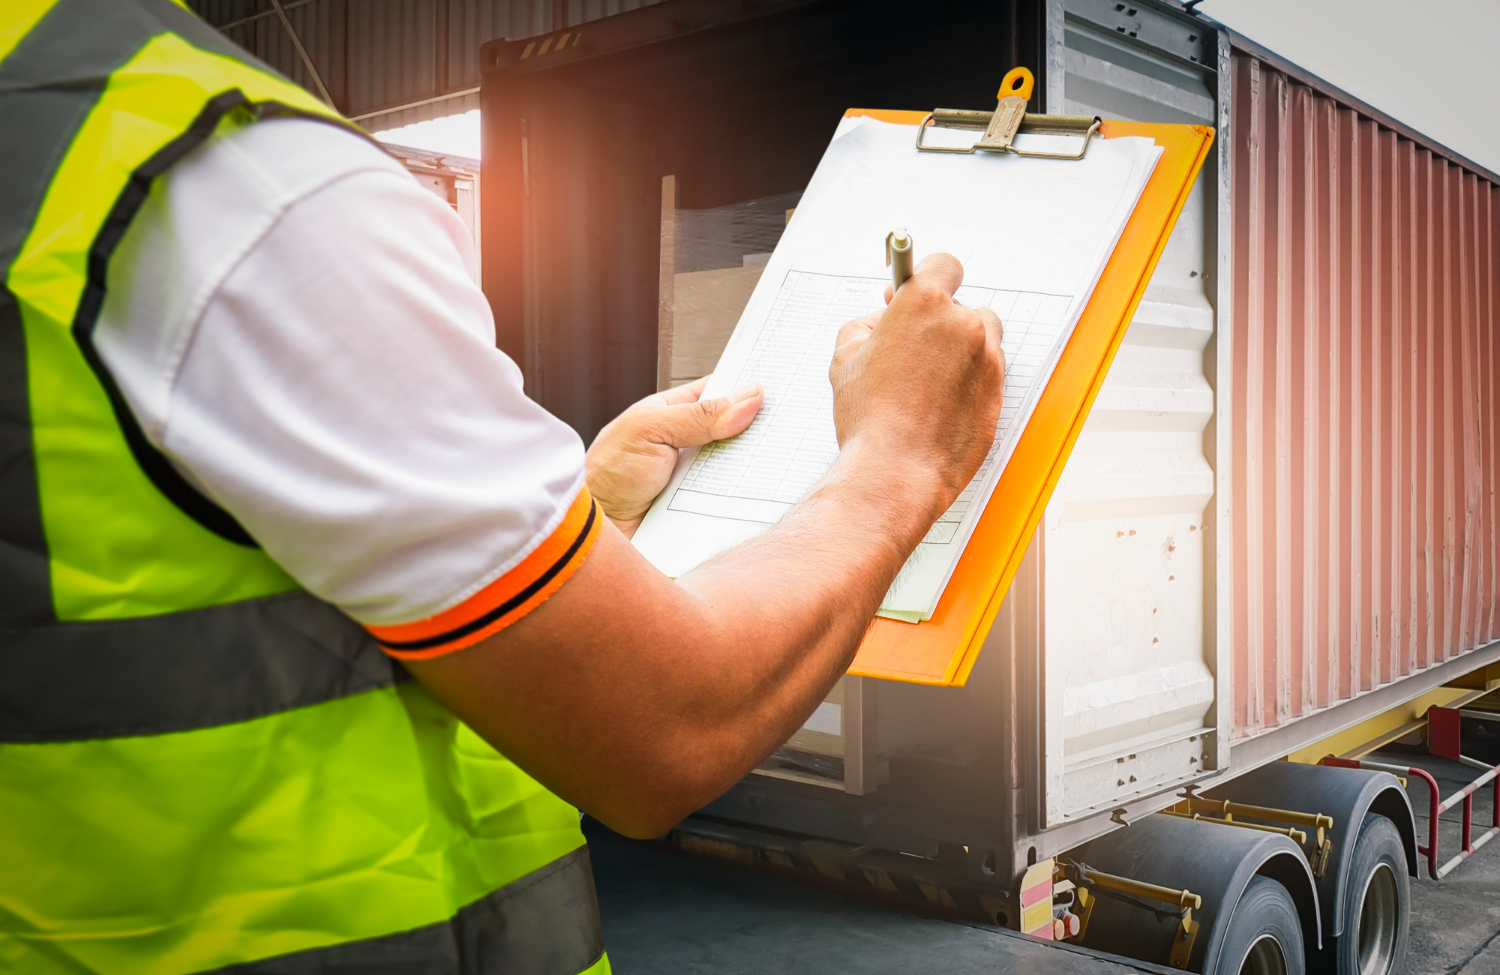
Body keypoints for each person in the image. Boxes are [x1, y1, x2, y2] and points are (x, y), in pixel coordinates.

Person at [0, 1, 1005, 972]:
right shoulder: (222, 186)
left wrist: (585, 514)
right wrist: (899, 454)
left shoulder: (49, 165)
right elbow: (665, 729)